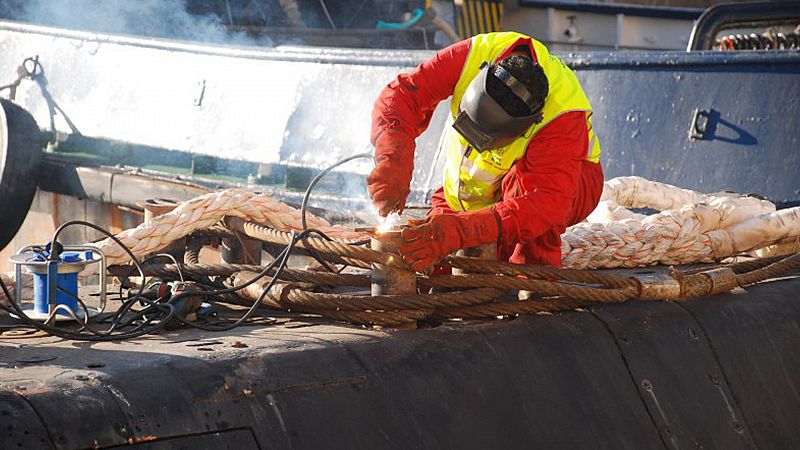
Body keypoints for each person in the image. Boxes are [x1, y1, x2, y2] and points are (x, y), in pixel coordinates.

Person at [366, 31, 604, 271]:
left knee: (530, 217)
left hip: (568, 185)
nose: (474, 143)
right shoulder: (472, 54)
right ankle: (479, 234)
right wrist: (393, 157)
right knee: (434, 254)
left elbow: (547, 204)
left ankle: (532, 280)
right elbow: (403, 94)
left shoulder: (562, 116)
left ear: (524, 126)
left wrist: (467, 230)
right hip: (488, 187)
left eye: (485, 139)